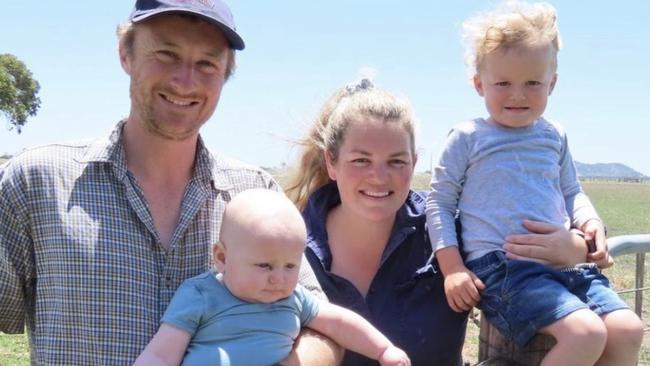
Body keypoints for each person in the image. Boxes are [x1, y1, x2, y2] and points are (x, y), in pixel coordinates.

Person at [0, 1, 339, 365]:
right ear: (125, 54)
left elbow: (323, 328)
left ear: (226, 73)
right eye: (166, 54)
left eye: (207, 63)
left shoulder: (256, 194)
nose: (186, 80)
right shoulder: (37, 182)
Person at [284, 78, 594, 366]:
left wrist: (577, 246)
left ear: (415, 163)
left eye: (396, 161)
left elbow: (521, 240)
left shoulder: (447, 236)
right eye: (361, 160)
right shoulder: (286, 244)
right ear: (331, 162)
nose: (378, 177)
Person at [426, 2, 644, 365]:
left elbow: (572, 191)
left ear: (551, 83)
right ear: (479, 84)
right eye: (503, 83)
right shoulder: (468, 136)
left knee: (627, 328)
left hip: (566, 266)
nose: (518, 95)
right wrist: (453, 269)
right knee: (585, 332)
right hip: (505, 268)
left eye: (532, 83)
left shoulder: (554, 135)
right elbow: (440, 203)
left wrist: (590, 224)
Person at [135, 189, 411, 366]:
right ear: (222, 258)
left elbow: (339, 323)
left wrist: (383, 349)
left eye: (290, 266)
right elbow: (162, 353)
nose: (278, 278)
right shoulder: (201, 295)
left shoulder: (294, 298)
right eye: (264, 266)